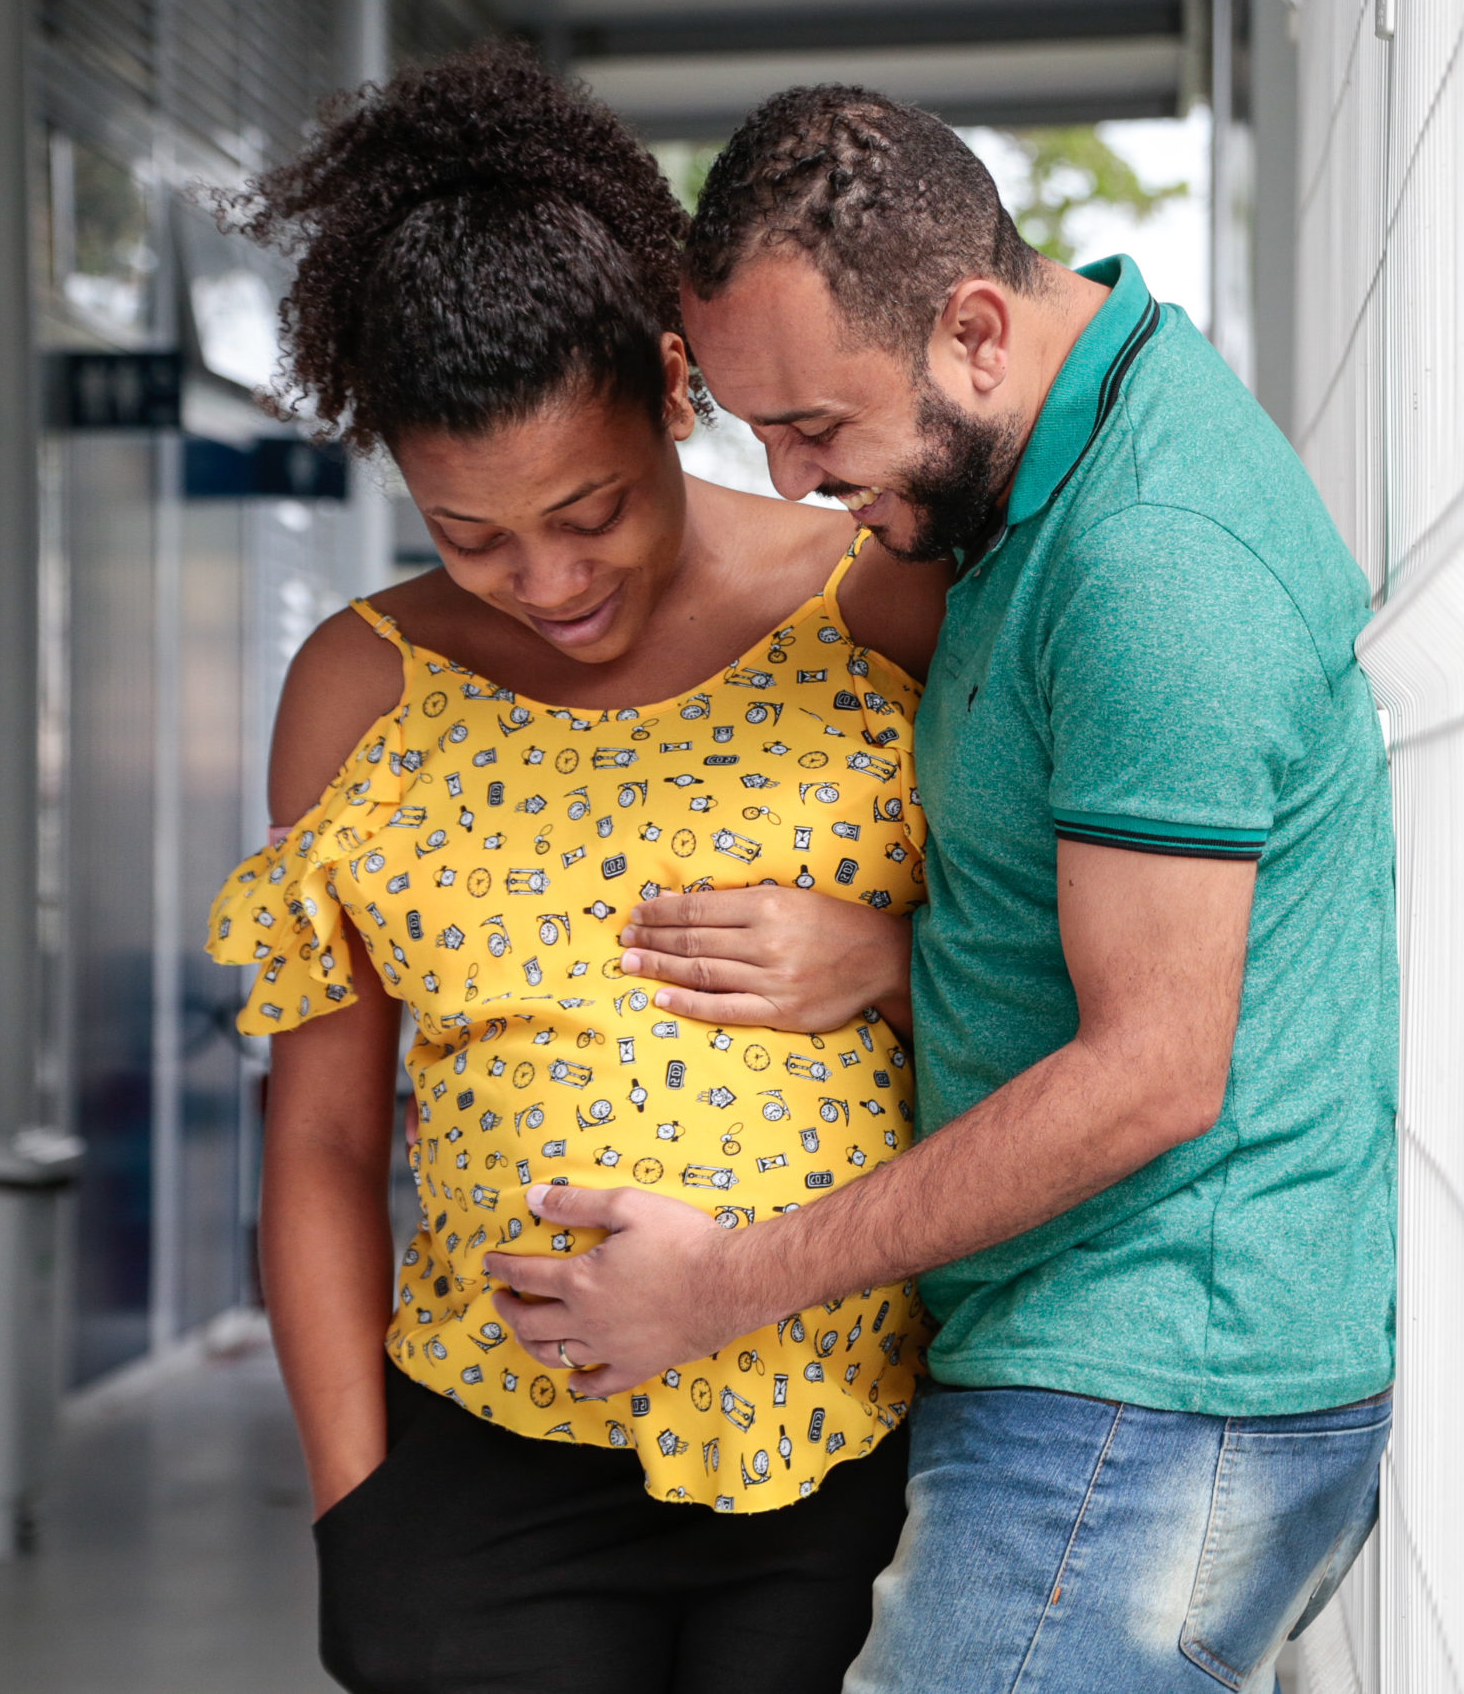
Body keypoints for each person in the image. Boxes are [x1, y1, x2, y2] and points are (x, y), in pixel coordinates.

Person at [485, 86, 1399, 1694]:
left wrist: (717, 1290)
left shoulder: (1151, 560)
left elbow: (1153, 1073)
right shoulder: (1056, 437)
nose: (789, 480)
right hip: (1098, 1378)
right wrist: (900, 957)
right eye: (755, 432)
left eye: (818, 432)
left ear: (975, 327)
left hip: (1147, 1399)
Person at [203, 50, 948, 1694]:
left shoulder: (884, 602)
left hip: (845, 1455)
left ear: (675, 384)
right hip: (486, 1484)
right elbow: (322, 1134)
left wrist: (894, 959)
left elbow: (1073, 965)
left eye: (591, 509)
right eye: (473, 533)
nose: (547, 579)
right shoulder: (363, 686)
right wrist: (358, 1507)